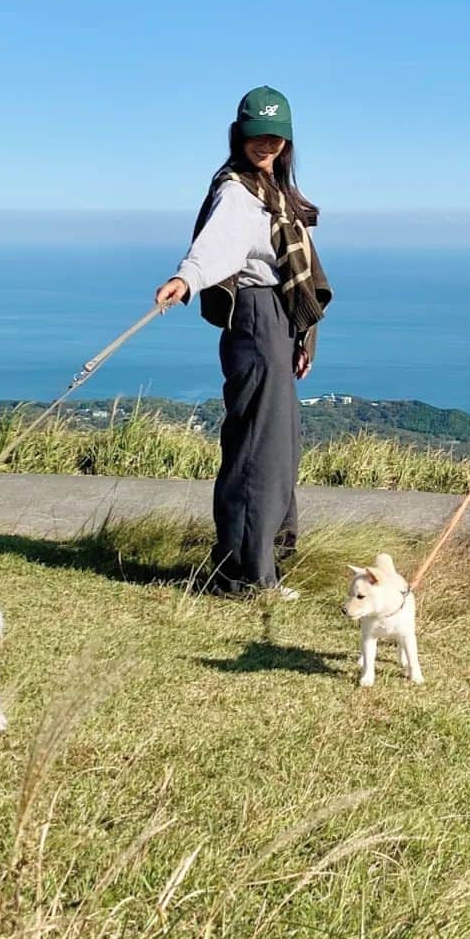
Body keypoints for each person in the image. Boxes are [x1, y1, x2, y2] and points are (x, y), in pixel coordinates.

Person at [155, 85, 331, 598]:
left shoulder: (276, 191)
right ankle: (244, 573)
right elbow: (217, 245)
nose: (266, 145)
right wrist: (186, 279)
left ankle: (268, 558)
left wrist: (301, 334)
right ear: (239, 135)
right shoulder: (238, 189)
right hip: (254, 318)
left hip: (276, 320)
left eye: (276, 138)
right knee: (259, 448)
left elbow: (295, 270)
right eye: (257, 136)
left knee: (280, 444)